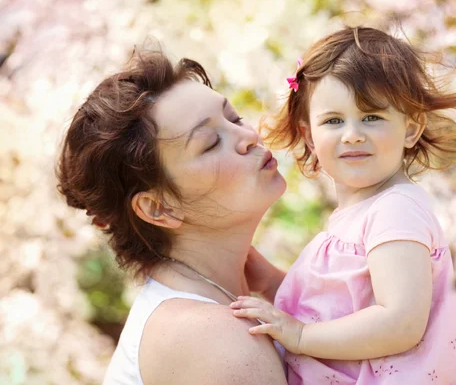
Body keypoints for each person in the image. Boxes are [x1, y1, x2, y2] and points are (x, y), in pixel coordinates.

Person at [231, 26, 456, 384]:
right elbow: (338, 307)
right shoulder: (359, 217)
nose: (352, 133)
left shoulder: (395, 210)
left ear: (410, 129)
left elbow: (400, 322)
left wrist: (300, 336)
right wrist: (271, 281)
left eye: (372, 117)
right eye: (333, 120)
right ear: (309, 135)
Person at [56, 48, 288, 385]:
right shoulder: (212, 338)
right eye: (210, 143)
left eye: (234, 118)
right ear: (158, 208)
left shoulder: (213, 302)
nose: (249, 137)